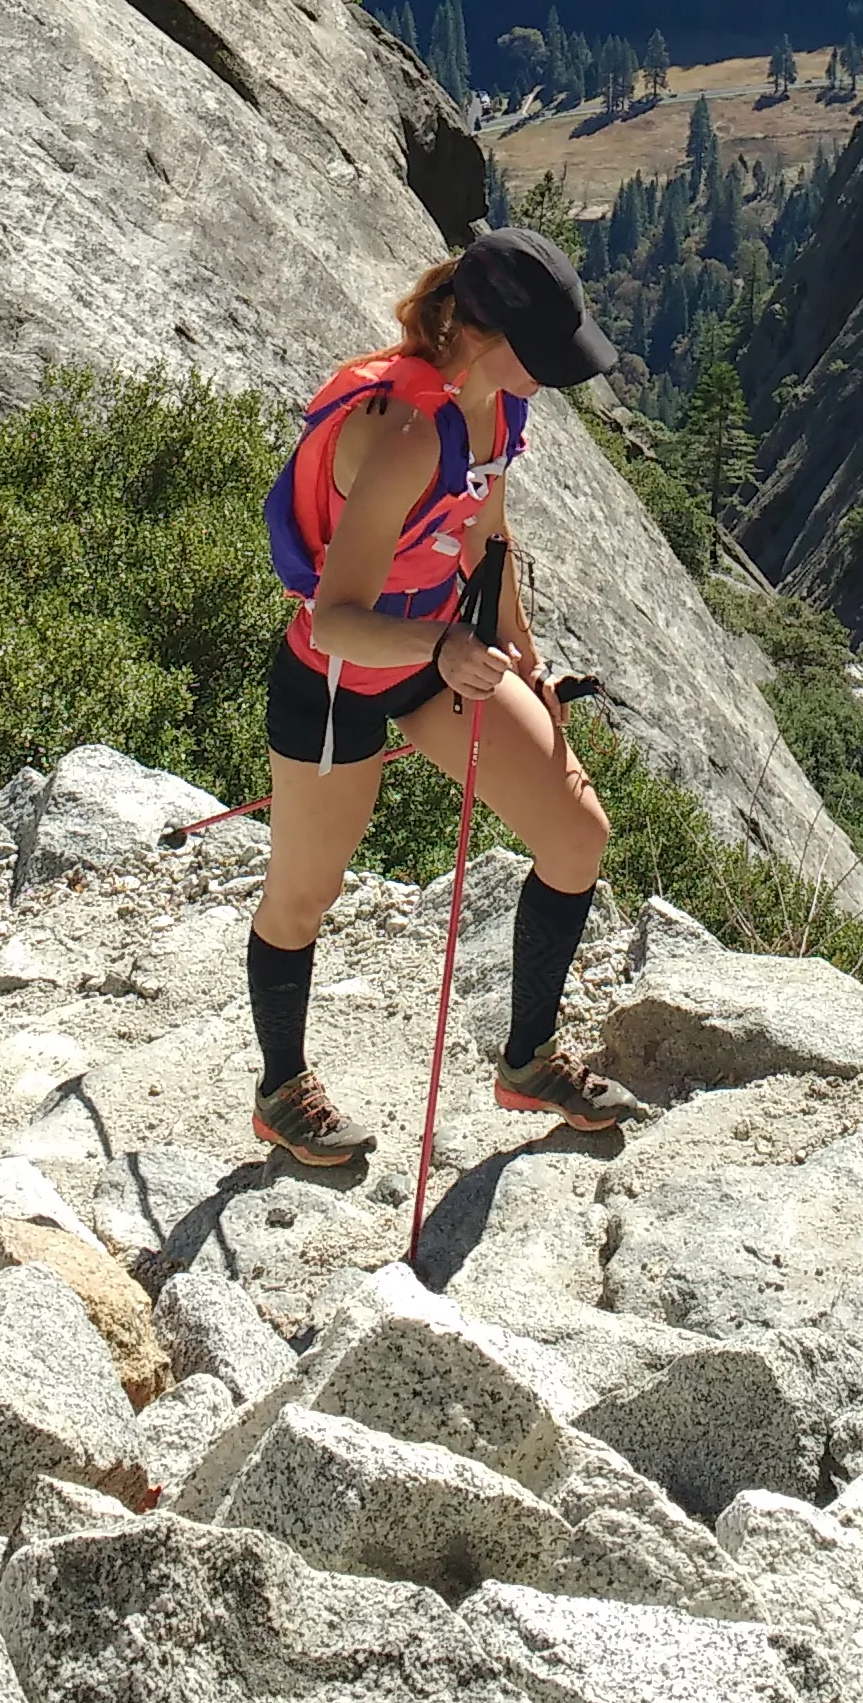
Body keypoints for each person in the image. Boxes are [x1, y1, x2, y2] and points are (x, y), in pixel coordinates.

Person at [250, 223, 644, 1167]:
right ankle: (282, 1089)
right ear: (483, 331)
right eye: (541, 354)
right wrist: (449, 644)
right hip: (339, 679)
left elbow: (486, 535)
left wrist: (523, 651)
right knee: (304, 897)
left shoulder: (498, 408)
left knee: (576, 834)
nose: (552, 375)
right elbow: (336, 618)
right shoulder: (404, 434)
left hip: (438, 655)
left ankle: (530, 1059)